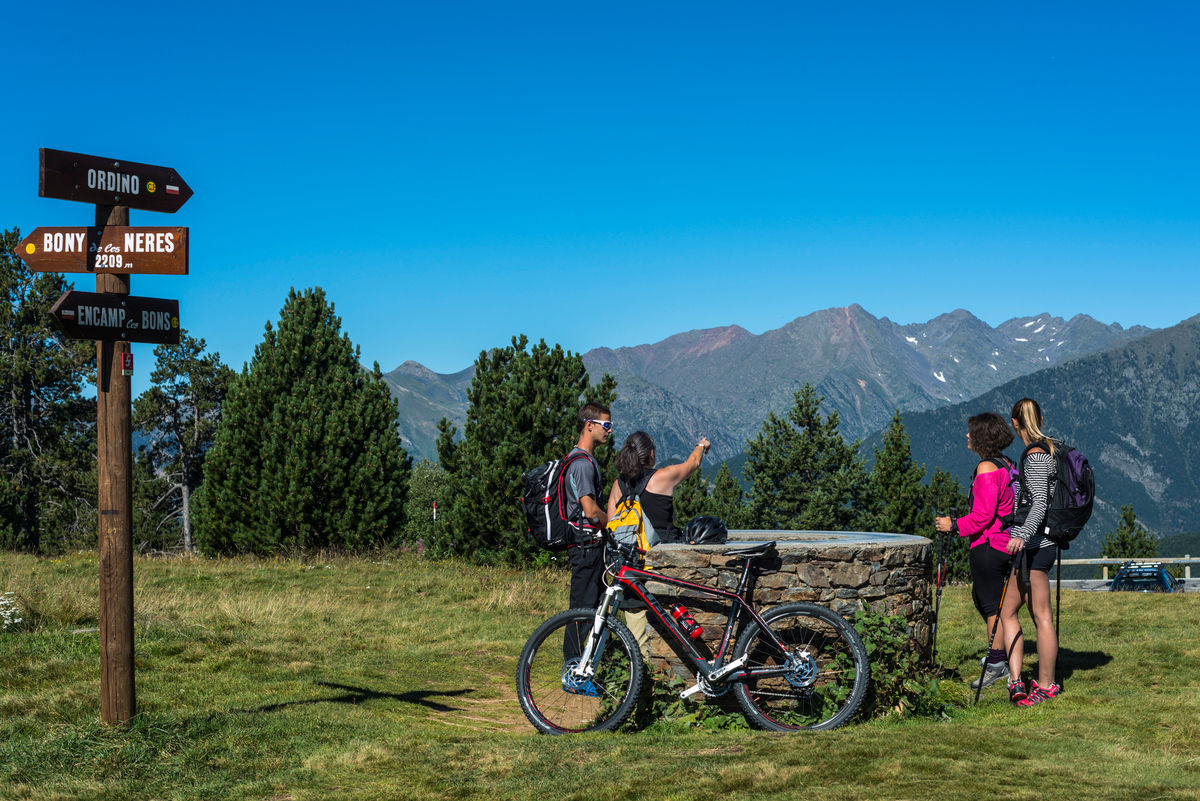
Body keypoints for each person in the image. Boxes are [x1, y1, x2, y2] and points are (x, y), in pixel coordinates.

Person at [606, 430, 711, 658]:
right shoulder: (662, 477)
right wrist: (701, 446)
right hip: (661, 567)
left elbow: (611, 523)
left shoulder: (618, 485)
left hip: (630, 568)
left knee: (636, 638)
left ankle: (639, 680)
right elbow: (692, 463)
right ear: (651, 454)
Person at [934, 412, 1015, 692]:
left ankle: (995, 664)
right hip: (1006, 543)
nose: (967, 436)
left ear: (983, 436)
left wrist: (953, 526)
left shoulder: (986, 469)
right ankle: (1000, 656)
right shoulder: (1006, 464)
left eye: (971, 432)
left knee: (991, 606)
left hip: (989, 546)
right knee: (991, 604)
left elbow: (982, 516)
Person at [999, 397, 1063, 707]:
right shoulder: (1048, 450)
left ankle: (1046, 685)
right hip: (1040, 547)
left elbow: (1039, 502)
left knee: (1040, 617)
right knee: (1011, 611)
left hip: (1035, 548)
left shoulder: (1036, 455)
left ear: (1016, 423)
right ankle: (1020, 680)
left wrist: (1021, 535)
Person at [561, 403, 612, 689]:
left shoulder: (581, 460)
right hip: (586, 545)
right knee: (581, 611)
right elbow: (590, 509)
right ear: (589, 425)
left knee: (591, 609)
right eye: (606, 425)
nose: (609, 430)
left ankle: (585, 670)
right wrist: (613, 525)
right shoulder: (581, 464)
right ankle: (573, 674)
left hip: (587, 545)